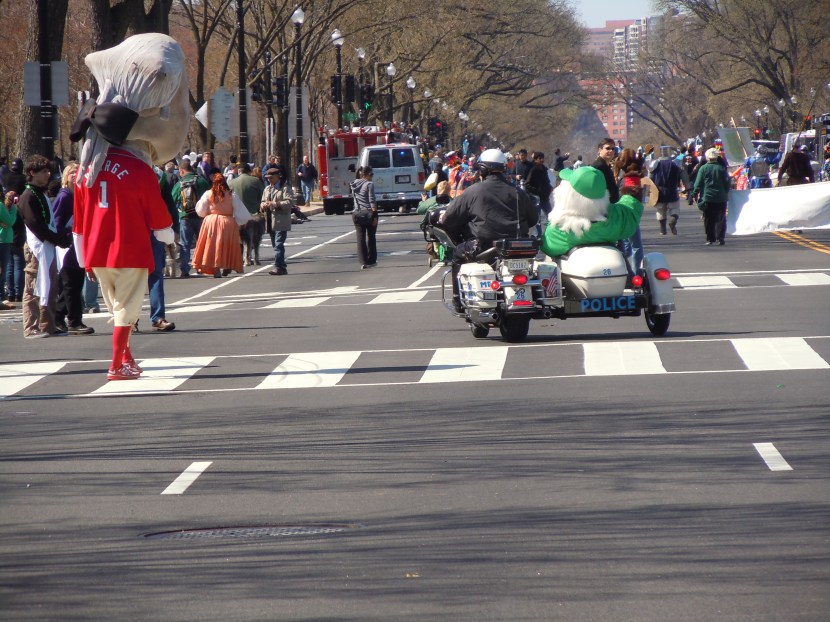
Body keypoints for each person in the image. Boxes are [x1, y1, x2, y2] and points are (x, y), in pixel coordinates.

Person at [71, 33, 186, 380]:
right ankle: (115, 364)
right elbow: (158, 215)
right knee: (127, 311)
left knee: (119, 308)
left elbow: (79, 221)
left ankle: (127, 357)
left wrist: (83, 257)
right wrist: (169, 239)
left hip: (96, 250)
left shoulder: (85, 170)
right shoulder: (139, 170)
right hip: (130, 248)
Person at [440, 149, 537, 313]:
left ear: (482, 170)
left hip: (483, 246)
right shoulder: (518, 192)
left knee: (458, 254)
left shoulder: (473, 191)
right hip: (517, 247)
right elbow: (533, 218)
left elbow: (450, 218)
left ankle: (458, 301)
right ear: (504, 168)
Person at [19, 155, 70, 338]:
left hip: (48, 245)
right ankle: (30, 327)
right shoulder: (27, 196)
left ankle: (48, 325)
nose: (48, 174)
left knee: (50, 285)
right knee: (33, 287)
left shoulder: (41, 193)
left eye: (48, 171)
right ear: (32, 173)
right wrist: (58, 239)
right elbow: (35, 224)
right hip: (36, 248)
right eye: (43, 172)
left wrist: (58, 238)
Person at [541, 166, 643, 258]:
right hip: (610, 267)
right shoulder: (615, 216)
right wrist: (632, 186)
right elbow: (631, 209)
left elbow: (549, 247)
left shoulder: (561, 227)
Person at [51, 162, 93, 335]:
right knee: (71, 285)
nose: (75, 175)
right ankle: (74, 322)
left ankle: (58, 316)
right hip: (68, 247)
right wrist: (66, 238)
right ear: (65, 177)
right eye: (72, 173)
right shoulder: (64, 197)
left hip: (79, 246)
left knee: (74, 285)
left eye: (78, 172)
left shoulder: (80, 195)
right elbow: (56, 223)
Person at [192, 173, 251, 277]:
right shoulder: (231, 195)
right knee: (226, 245)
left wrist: (208, 215)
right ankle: (226, 266)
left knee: (213, 246)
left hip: (211, 222)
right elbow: (241, 212)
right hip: (227, 222)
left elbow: (200, 210)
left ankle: (215, 268)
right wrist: (240, 222)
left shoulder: (208, 194)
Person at [145, 168, 179, 332]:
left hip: (154, 229)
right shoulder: (124, 170)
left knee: (156, 272)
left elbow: (168, 203)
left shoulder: (160, 178)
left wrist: (175, 228)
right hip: (130, 229)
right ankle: (129, 319)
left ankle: (158, 317)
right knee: (130, 276)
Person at [172, 159, 210, 278]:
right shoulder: (201, 181)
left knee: (185, 243)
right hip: (200, 217)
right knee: (202, 242)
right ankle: (202, 266)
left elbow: (173, 200)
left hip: (185, 217)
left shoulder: (180, 183)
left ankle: (184, 269)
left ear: (182, 171)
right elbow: (210, 196)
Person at [260, 167, 295, 275]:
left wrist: (275, 204)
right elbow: (262, 202)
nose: (269, 180)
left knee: (278, 244)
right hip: (269, 220)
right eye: (267, 178)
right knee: (275, 245)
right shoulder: (267, 189)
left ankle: (278, 266)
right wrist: (262, 205)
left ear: (277, 177)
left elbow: (289, 203)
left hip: (280, 220)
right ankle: (282, 266)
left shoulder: (285, 188)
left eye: (271, 178)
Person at [693, 148, 731, 246]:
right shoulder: (721, 168)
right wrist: (726, 191)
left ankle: (710, 238)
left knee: (708, 219)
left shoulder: (703, 168)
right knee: (721, 218)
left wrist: (695, 193)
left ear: (707, 157)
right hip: (721, 198)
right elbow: (727, 182)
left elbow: (698, 183)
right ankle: (720, 237)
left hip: (708, 197)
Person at [650, 148, 688, 235]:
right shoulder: (675, 163)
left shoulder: (655, 164)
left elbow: (650, 177)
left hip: (659, 191)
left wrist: (649, 189)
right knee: (674, 208)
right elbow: (683, 174)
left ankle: (662, 230)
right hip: (672, 190)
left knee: (661, 210)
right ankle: (672, 221)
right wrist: (687, 186)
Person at [350, 166, 379, 269]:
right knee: (371, 236)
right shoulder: (369, 184)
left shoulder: (353, 185)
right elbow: (372, 201)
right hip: (368, 213)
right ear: (365, 175)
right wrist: (375, 215)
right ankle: (371, 260)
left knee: (360, 237)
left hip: (357, 213)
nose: (371, 177)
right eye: (371, 174)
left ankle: (363, 261)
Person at [523, 152, 553, 234]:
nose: (541, 160)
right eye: (539, 158)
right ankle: (538, 237)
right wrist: (536, 191)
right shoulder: (533, 170)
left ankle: (550, 234)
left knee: (551, 216)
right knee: (537, 219)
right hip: (537, 198)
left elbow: (547, 181)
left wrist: (549, 187)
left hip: (545, 198)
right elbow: (527, 184)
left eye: (542, 158)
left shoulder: (544, 169)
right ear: (535, 160)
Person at [0, 190, 17, 309]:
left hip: (5, 239)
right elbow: (10, 221)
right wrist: (14, 208)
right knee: (3, 270)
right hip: (3, 239)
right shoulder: (0, 206)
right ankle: (1, 297)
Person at [592, 137, 620, 203]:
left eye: (613, 149)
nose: (611, 151)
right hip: (603, 207)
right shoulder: (598, 167)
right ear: (599, 150)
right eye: (607, 148)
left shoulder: (605, 166)